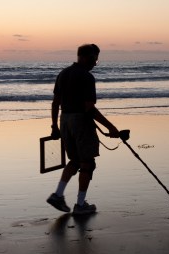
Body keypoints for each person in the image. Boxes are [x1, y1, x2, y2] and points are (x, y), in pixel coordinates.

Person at [47, 44, 119, 214]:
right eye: (94, 59)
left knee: (75, 160)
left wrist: (54, 126)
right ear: (85, 57)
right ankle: (80, 205)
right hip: (80, 122)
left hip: (65, 120)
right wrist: (111, 127)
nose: (96, 63)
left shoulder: (63, 73)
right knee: (87, 163)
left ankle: (58, 194)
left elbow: (56, 103)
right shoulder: (87, 77)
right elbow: (89, 108)